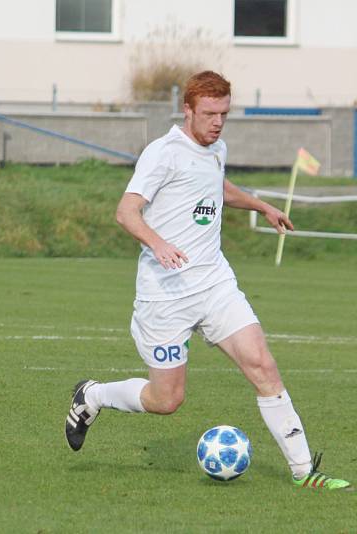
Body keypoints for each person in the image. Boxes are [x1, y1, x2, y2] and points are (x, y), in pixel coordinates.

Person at [64, 70, 351, 490]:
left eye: (224, 113)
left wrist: (261, 206)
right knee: (167, 401)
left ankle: (304, 472)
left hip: (214, 284)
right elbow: (126, 212)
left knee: (263, 365)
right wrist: (159, 244)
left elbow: (217, 186)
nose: (217, 122)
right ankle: (93, 396)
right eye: (210, 113)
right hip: (165, 295)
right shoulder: (162, 153)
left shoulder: (217, 148)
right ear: (188, 110)